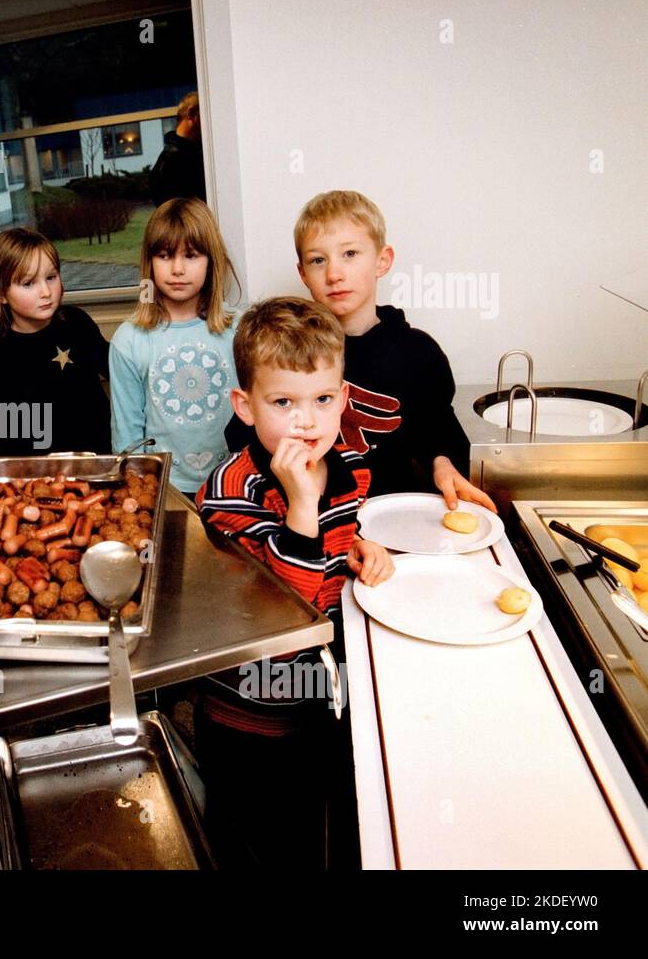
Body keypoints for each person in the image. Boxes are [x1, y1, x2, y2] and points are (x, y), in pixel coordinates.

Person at [194, 297, 394, 868]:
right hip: (248, 715)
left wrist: (359, 548)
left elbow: (335, 542)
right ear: (247, 406)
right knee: (248, 842)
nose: (306, 420)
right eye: (283, 402)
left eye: (322, 400)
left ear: (344, 399)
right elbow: (282, 612)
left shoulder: (350, 462)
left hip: (324, 700)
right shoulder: (231, 490)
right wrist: (301, 508)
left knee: (318, 832)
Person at [289, 190, 495, 511]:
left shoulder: (418, 353)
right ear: (303, 273)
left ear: (382, 261)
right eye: (318, 260)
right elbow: (251, 434)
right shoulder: (287, 354)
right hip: (315, 519)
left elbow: (438, 427)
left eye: (350, 254)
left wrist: (442, 462)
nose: (334, 274)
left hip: (397, 517)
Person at [109, 197, 241, 500]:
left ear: (212, 261)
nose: (178, 269)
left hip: (236, 484)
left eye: (192, 255)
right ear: (149, 263)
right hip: (166, 488)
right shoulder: (128, 340)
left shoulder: (241, 330)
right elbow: (127, 435)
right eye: (165, 256)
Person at [0, 228, 111, 457]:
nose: (46, 292)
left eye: (51, 278)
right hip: (26, 465)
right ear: (1, 294)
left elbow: (115, 368)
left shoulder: (76, 323)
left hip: (91, 456)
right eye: (28, 283)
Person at [149, 91, 206, 205]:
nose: (208, 123)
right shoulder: (170, 163)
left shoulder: (193, 153)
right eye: (204, 116)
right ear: (192, 114)